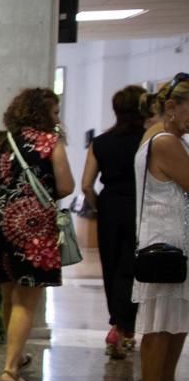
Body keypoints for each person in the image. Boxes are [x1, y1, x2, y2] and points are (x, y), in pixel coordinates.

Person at [0, 88, 74, 381]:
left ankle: (15, 357)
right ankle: (9, 371)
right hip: (31, 227)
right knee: (26, 300)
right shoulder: (50, 142)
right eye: (55, 112)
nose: (58, 118)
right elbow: (67, 185)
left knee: (9, 296)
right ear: (41, 113)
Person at [131, 76, 189, 381]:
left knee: (176, 320)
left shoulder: (166, 138)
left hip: (174, 240)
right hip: (165, 243)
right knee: (160, 321)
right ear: (171, 107)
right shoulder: (165, 141)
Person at [84, 84, 148, 359]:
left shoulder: (100, 142)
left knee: (110, 269)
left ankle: (116, 326)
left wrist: (100, 208)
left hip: (110, 206)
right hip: (142, 206)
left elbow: (87, 185)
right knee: (133, 269)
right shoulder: (150, 141)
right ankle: (126, 328)